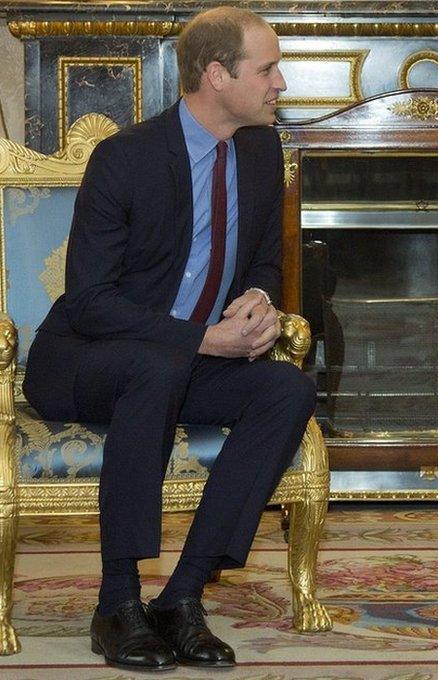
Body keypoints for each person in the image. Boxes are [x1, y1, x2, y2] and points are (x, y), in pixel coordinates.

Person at [23, 7, 311, 671]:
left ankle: (181, 600)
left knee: (286, 388)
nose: (282, 84)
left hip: (185, 362)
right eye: (268, 69)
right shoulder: (125, 159)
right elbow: (91, 302)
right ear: (216, 74)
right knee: (156, 366)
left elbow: (268, 258)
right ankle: (117, 603)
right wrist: (204, 340)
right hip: (86, 362)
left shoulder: (265, 152)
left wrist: (259, 302)